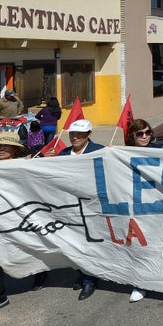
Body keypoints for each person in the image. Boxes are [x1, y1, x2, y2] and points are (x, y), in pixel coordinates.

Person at [0, 131, 47, 319]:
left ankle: (40, 273)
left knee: (31, 247)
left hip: (20, 218)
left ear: (14, 149)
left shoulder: (22, 166)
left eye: (6, 146)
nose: (1, 149)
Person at [44, 119, 105, 300]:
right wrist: (46, 162)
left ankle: (89, 280)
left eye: (80, 134)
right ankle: (82, 271)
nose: (75, 137)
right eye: (72, 134)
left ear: (89, 134)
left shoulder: (99, 151)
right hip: (70, 207)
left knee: (90, 243)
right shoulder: (63, 153)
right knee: (75, 243)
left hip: (92, 206)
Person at [124, 119, 162, 303]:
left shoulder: (160, 150)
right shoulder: (122, 154)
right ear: (132, 136)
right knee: (140, 246)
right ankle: (141, 284)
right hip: (136, 207)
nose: (145, 136)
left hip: (160, 206)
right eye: (140, 134)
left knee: (162, 242)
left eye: (147, 132)